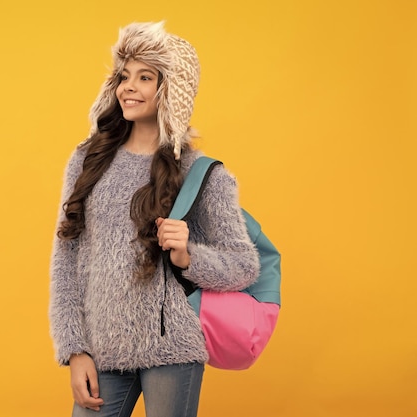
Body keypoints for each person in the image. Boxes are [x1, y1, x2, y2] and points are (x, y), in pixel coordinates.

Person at [49, 22, 260, 417]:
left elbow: (244, 264)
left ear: (172, 90)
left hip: (173, 347)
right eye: (123, 76)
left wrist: (188, 257)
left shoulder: (201, 173)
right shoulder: (87, 161)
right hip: (103, 347)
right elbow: (66, 262)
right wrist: (74, 348)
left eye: (145, 77)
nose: (128, 86)